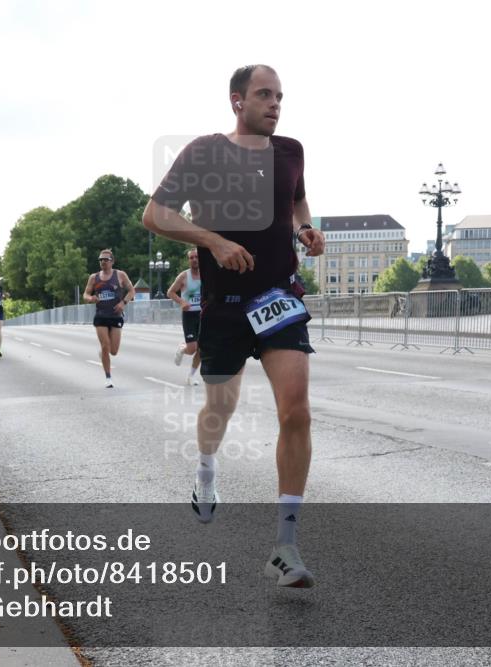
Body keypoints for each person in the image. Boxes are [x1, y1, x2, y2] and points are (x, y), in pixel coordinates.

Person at [142, 64, 325, 588]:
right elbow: (155, 214)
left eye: (280, 96)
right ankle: (205, 475)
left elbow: (295, 200)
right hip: (224, 305)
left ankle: (285, 546)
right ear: (236, 101)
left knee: (297, 410)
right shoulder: (204, 151)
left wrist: (307, 229)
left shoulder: (291, 150)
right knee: (221, 407)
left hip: (279, 299)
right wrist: (213, 241)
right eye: (264, 95)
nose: (275, 104)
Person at [83, 250, 136, 388]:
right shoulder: (94, 278)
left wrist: (123, 303)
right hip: (101, 316)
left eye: (106, 259)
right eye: (101, 260)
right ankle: (108, 378)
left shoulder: (120, 275)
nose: (103, 262)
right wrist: (91, 298)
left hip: (115, 316)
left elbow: (132, 291)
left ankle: (103, 353)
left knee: (114, 351)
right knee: (105, 345)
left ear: (112, 261)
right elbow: (86, 294)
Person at [166, 248, 202, 385]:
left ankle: (191, 376)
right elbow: (170, 292)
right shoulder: (183, 276)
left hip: (203, 314)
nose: (194, 260)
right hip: (189, 315)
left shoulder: (206, 274)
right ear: (188, 260)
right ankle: (182, 349)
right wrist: (182, 302)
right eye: (191, 257)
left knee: (202, 348)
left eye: (196, 257)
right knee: (192, 348)